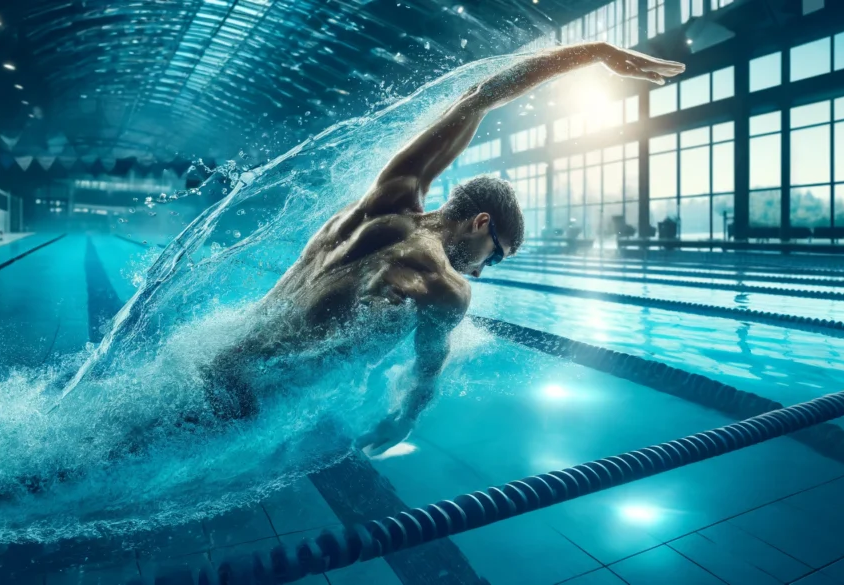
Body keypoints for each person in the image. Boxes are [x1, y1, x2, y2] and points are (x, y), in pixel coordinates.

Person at [201, 42, 684, 455]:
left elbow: (479, 98)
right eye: (493, 256)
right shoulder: (443, 287)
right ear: (480, 223)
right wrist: (405, 420)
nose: (480, 272)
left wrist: (595, 54)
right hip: (248, 399)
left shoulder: (385, 200)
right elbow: (426, 369)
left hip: (218, 357)